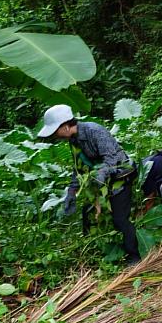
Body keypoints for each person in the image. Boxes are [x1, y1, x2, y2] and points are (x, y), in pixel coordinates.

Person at [37, 105, 141, 265]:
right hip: (98, 182)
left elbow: (111, 160)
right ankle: (93, 250)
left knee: (120, 219)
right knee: (87, 214)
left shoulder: (94, 131)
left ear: (65, 127)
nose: (55, 136)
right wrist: (71, 191)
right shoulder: (74, 141)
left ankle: (134, 256)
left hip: (119, 177)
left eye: (55, 131)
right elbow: (78, 168)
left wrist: (100, 175)